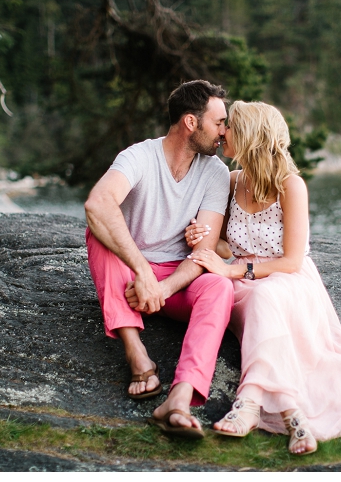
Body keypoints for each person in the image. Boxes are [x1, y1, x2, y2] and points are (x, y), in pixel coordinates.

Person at [185, 101, 341, 454]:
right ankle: (293, 415)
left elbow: (292, 260)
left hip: (287, 280)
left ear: (251, 135)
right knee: (257, 299)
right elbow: (225, 243)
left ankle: (250, 403)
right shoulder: (232, 181)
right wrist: (201, 237)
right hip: (243, 283)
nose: (222, 133)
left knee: (267, 298)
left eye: (230, 127)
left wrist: (235, 269)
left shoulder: (290, 185)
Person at [84, 80, 234, 440]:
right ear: (190, 123)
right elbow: (97, 203)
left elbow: (205, 251)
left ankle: (179, 399)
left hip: (175, 281)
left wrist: (162, 288)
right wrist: (141, 272)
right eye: (219, 123)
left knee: (218, 286)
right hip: (130, 276)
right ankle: (138, 356)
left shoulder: (215, 172)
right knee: (98, 233)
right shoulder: (138, 157)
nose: (224, 133)